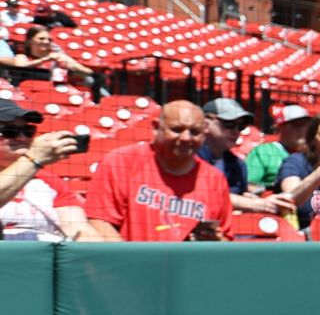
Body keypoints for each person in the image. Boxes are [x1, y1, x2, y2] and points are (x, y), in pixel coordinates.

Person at [82, 101, 233, 240]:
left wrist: (215, 241)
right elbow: (100, 222)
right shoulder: (120, 162)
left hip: (189, 267)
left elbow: (226, 238)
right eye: (177, 129)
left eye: (195, 132)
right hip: (131, 264)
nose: (186, 138)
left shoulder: (215, 179)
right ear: (156, 128)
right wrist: (128, 263)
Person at [1, 96, 102, 241]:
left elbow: (79, 230)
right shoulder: (34, 163)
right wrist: (33, 159)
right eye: (10, 132)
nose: (22, 138)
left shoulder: (46, 180)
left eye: (28, 130)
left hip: (44, 260)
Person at [197, 98, 292, 216]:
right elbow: (200, 194)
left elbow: (235, 199)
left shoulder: (237, 164)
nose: (236, 131)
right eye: (229, 124)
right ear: (205, 124)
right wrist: (254, 204)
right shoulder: (189, 157)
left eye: (241, 126)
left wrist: (252, 200)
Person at [243, 105, 315, 195]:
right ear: (279, 128)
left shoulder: (314, 153)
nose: (302, 130)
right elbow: (249, 185)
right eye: (296, 125)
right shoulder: (264, 151)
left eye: (306, 125)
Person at [3, 24, 97, 85]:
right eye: (41, 39)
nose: (46, 42)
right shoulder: (22, 57)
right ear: (30, 41)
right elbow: (22, 65)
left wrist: (72, 68)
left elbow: (88, 72)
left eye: (49, 39)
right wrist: (45, 59)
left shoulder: (59, 56)